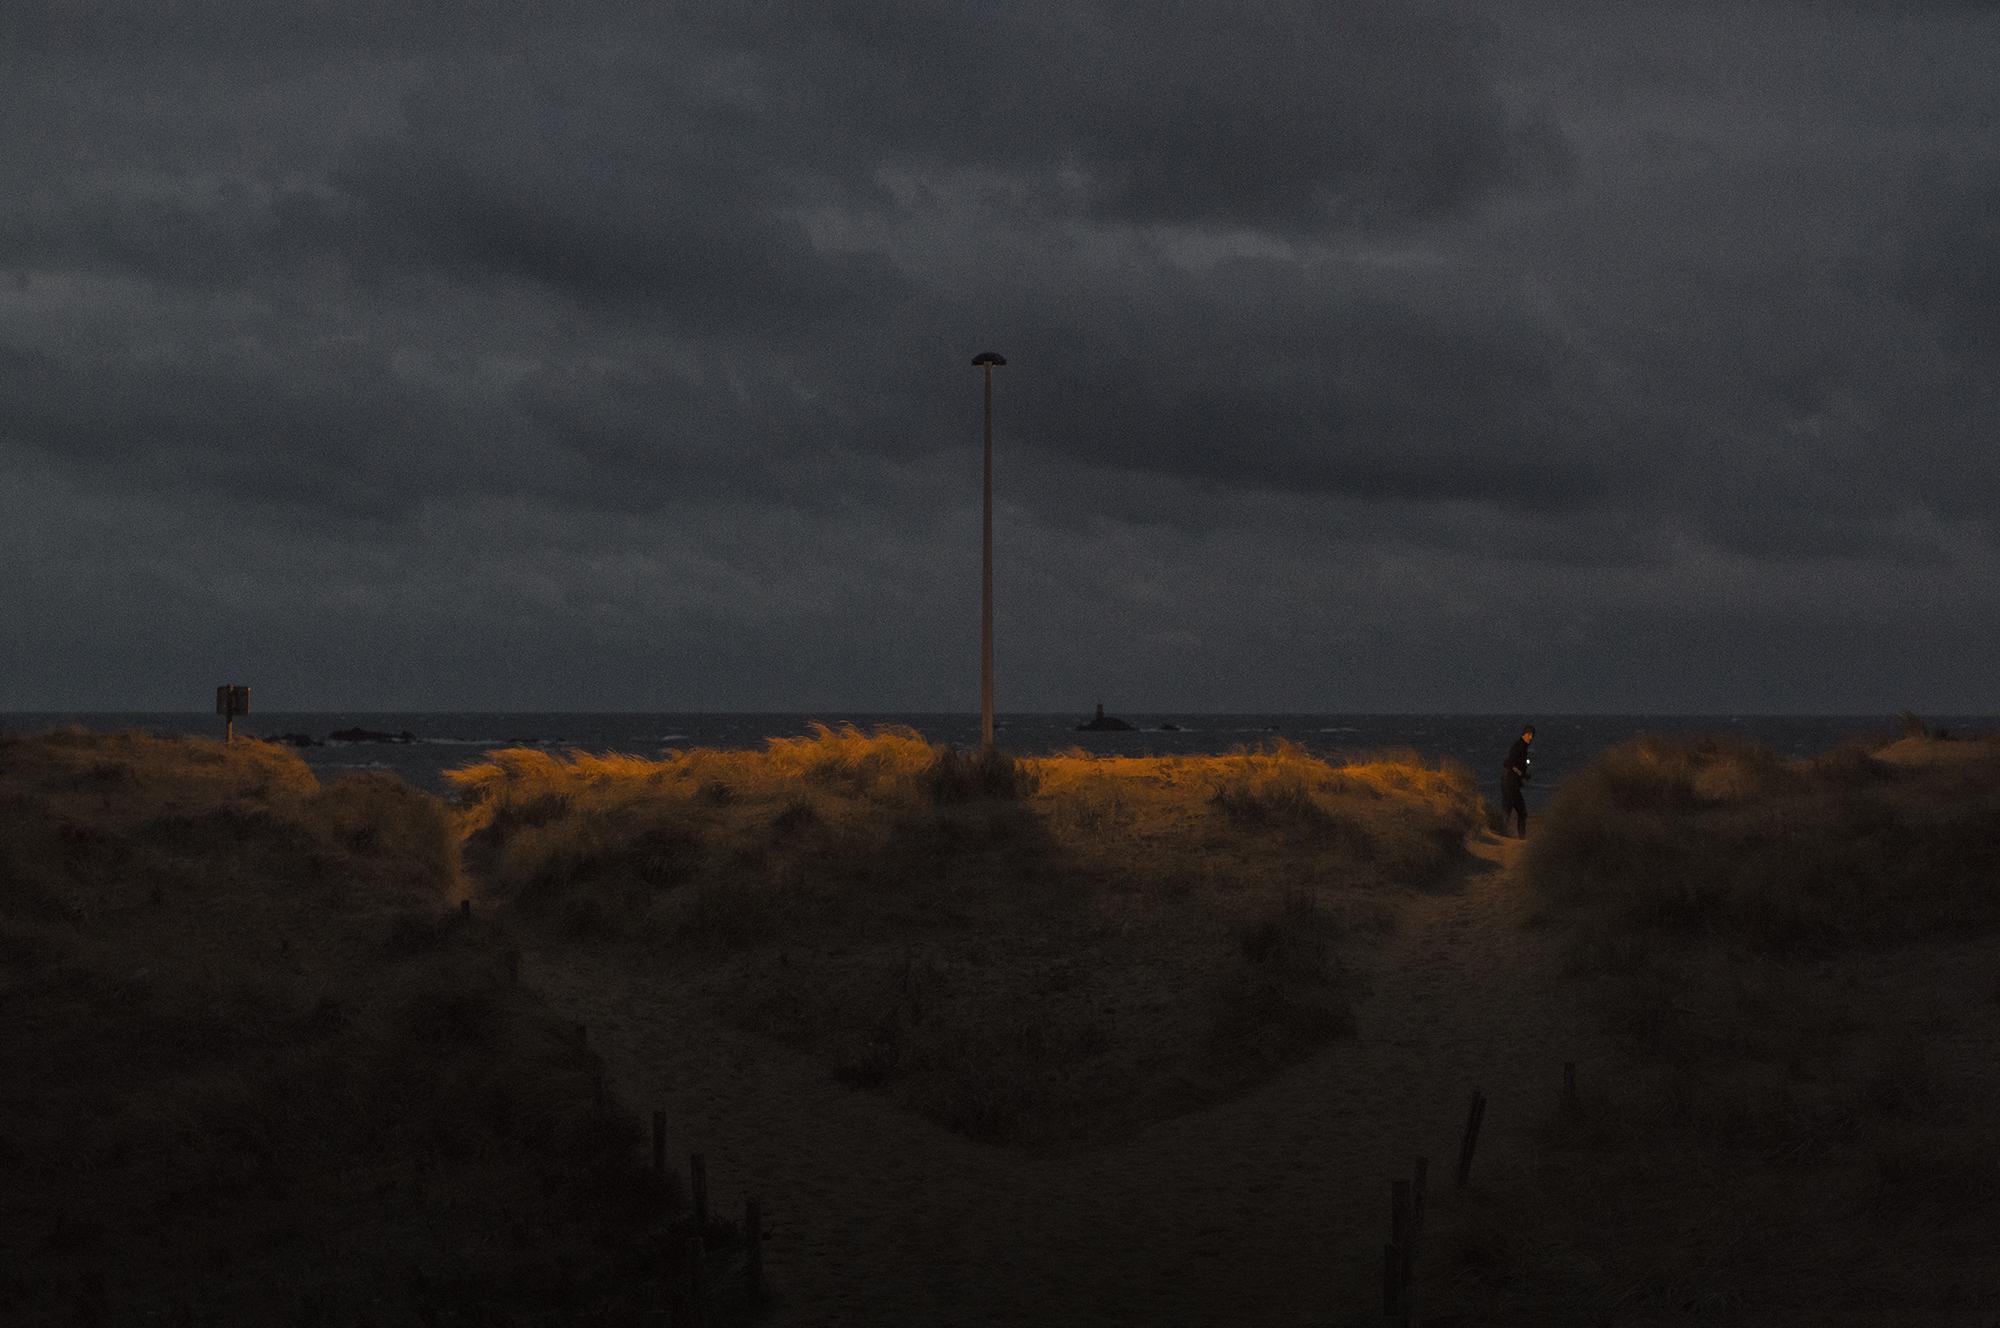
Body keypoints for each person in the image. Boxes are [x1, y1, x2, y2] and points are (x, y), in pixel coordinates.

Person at [1501, 724, 1535, 838]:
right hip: (1510, 783)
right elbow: (1509, 763)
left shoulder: (1523, 746)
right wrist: (1522, 774)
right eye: (1529, 735)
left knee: (1507, 810)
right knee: (1522, 812)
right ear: (1524, 734)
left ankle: (1503, 833)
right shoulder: (1519, 746)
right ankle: (1521, 839)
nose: (1531, 738)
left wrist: (1523, 775)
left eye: (1532, 735)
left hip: (1509, 783)